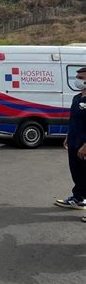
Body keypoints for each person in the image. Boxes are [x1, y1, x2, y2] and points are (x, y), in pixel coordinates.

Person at [55, 66, 86, 220]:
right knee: (77, 172)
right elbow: (73, 120)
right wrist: (68, 136)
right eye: (78, 77)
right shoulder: (77, 97)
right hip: (74, 141)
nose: (78, 80)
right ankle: (78, 199)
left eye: (81, 77)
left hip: (84, 144)